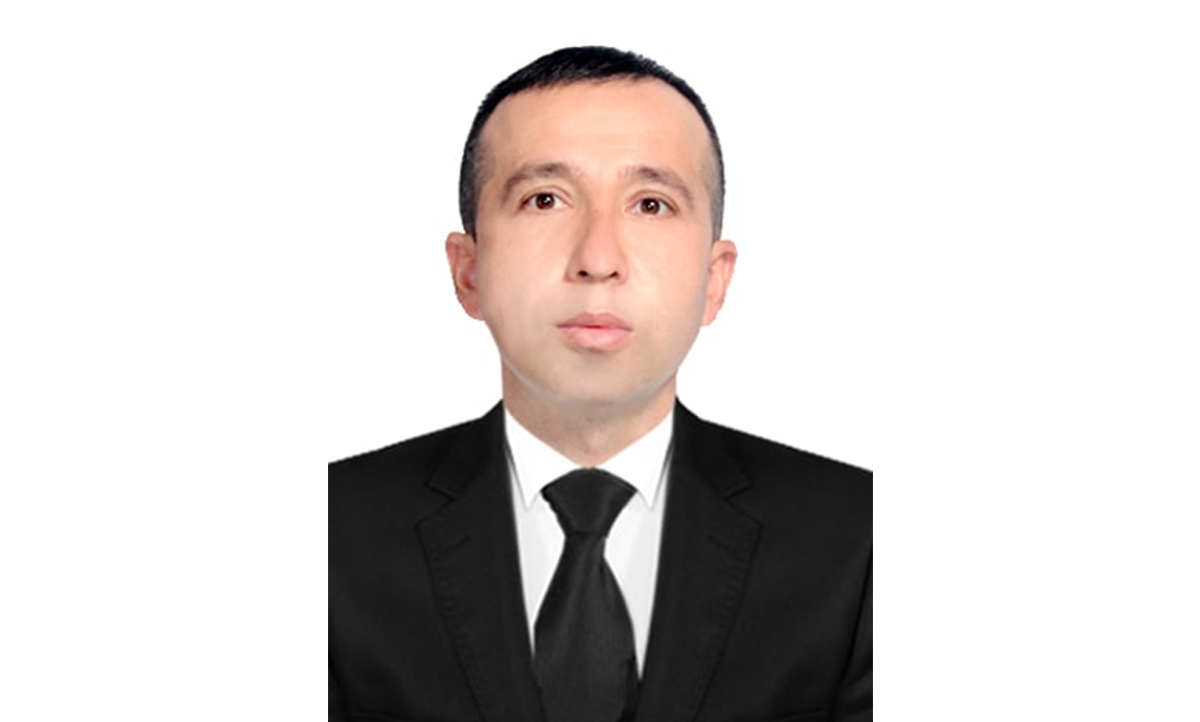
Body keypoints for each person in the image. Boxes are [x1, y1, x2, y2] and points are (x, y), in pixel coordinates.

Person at [329, 46, 871, 722]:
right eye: (545, 199)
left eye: (651, 204)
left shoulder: (859, 539)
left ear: (715, 279)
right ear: (468, 271)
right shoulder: (327, 533)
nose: (598, 259)